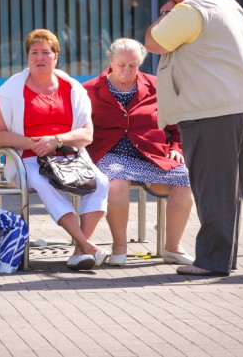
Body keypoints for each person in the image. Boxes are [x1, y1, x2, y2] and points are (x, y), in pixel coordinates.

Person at [144, 0, 243, 276]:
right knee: (230, 191)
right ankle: (224, 258)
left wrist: (166, 12)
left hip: (213, 112)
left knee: (213, 190)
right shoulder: (230, 4)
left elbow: (153, 41)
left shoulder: (190, 9)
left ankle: (212, 262)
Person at [0, 28, 110, 271]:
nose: (39, 58)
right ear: (27, 57)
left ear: (56, 57)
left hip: (69, 157)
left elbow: (87, 135)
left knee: (102, 182)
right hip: (28, 158)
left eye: (46, 52)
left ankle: (80, 251)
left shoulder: (73, 89)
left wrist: (56, 140)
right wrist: (34, 143)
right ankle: (88, 245)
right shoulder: (12, 90)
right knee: (45, 183)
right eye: (34, 52)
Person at [83, 38, 195, 266]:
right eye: (122, 65)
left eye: (133, 66)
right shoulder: (89, 90)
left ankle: (173, 247)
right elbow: (80, 127)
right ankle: (119, 247)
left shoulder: (156, 86)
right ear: (110, 61)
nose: (127, 70)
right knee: (116, 183)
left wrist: (176, 149)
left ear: (140, 64)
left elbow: (176, 125)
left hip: (150, 153)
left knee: (185, 180)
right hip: (109, 153)